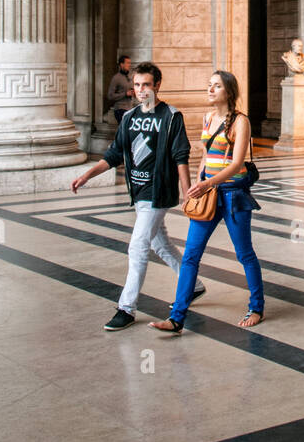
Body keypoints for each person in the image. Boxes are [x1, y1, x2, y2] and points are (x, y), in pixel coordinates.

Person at [71, 62, 204, 330]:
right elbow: (114, 154)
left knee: (138, 247)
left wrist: (188, 191)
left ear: (157, 86)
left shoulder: (170, 116)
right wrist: (88, 174)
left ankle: (127, 308)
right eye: (138, 85)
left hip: (159, 193)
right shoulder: (130, 118)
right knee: (160, 244)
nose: (141, 90)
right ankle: (194, 285)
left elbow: (180, 156)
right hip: (139, 192)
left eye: (146, 85)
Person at [151, 70, 265, 334]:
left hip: (233, 194)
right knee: (191, 255)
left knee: (244, 253)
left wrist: (209, 183)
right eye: (209, 85)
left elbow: (237, 163)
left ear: (229, 92)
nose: (210, 90)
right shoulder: (207, 118)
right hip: (209, 194)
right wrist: (197, 183)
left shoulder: (240, 121)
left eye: (216, 86)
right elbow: (204, 155)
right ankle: (177, 317)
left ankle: (256, 307)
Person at [106, 55, 134, 124]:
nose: (129, 65)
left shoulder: (129, 77)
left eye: (130, 63)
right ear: (121, 64)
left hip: (129, 108)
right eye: (127, 63)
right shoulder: (116, 78)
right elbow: (110, 96)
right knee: (125, 131)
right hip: (120, 109)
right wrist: (125, 94)